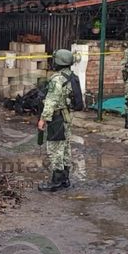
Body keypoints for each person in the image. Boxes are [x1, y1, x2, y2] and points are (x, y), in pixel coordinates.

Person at [37, 49, 75, 192]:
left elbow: (51, 101)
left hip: (57, 118)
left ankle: (56, 181)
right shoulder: (71, 76)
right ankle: (65, 178)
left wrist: (43, 119)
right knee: (65, 148)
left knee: (55, 149)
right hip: (66, 116)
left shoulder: (56, 79)